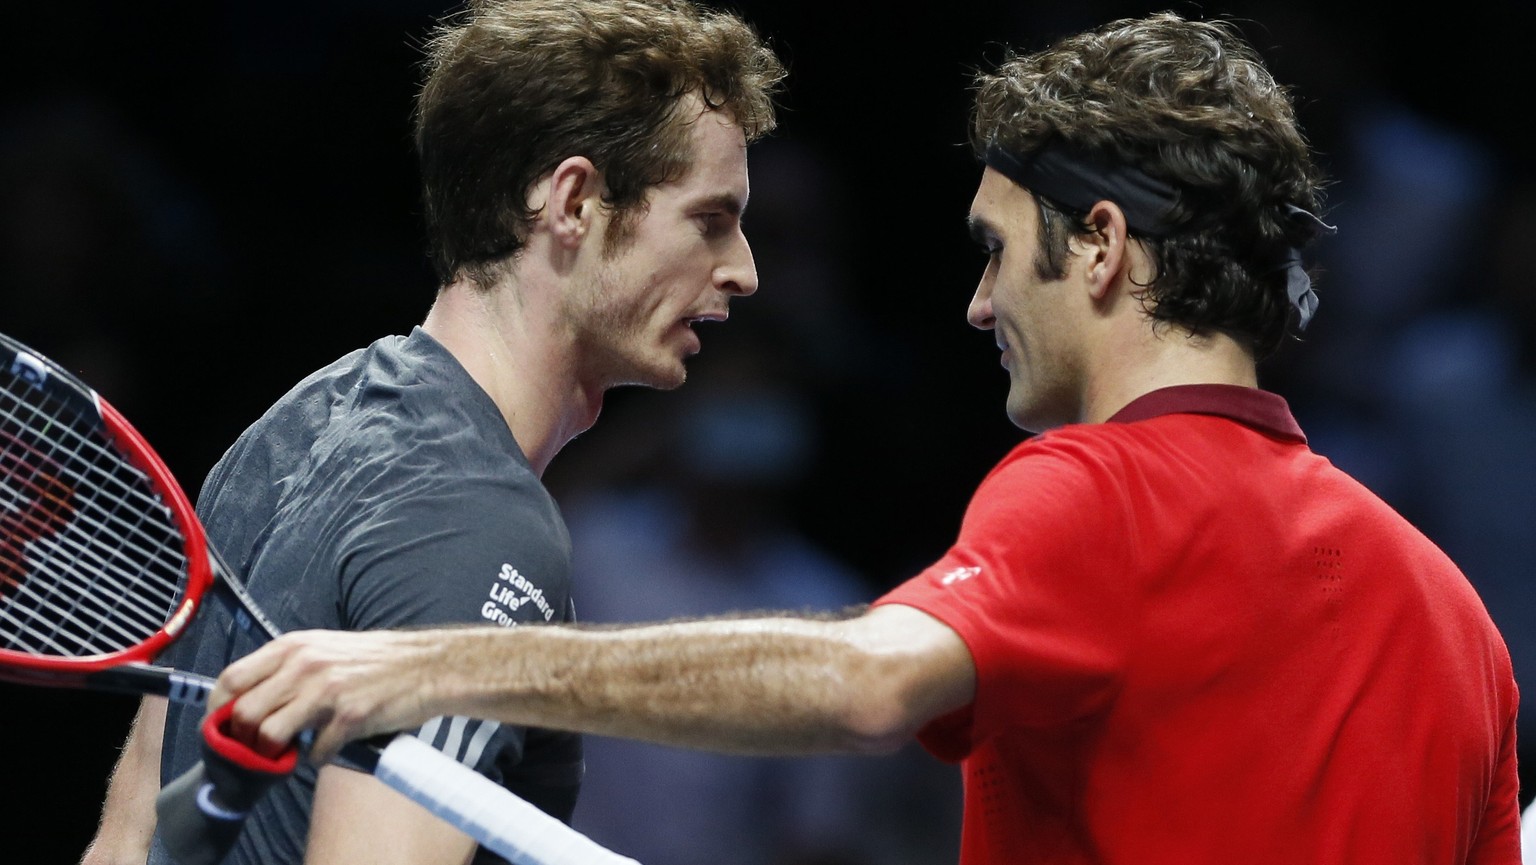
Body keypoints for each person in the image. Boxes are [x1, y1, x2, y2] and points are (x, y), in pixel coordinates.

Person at [206, 12, 1524, 864]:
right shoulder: (1458, 622)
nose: (976, 303)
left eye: (997, 253)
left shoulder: (1104, 487)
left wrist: (430, 665)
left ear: (1105, 248)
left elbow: (863, 683)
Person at [78, 1, 784, 863]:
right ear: (574, 202)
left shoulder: (299, 419)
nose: (744, 270)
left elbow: (124, 841)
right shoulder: (485, 524)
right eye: (711, 220)